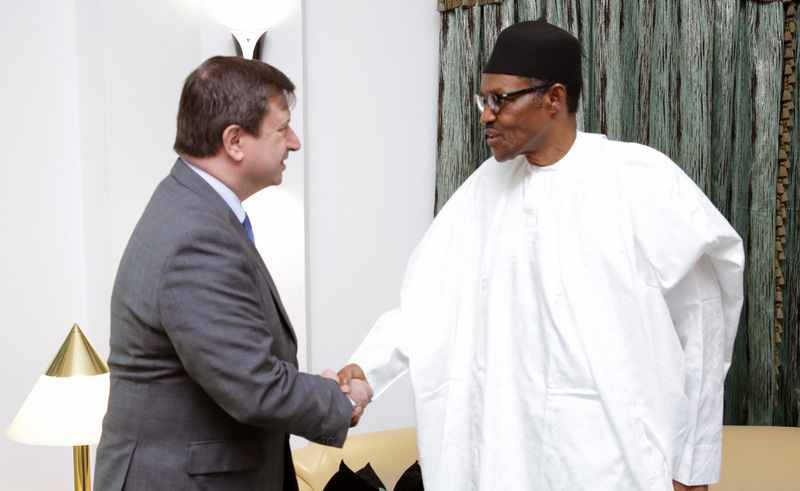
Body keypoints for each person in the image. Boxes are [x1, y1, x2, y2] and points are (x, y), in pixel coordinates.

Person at [338, 20, 744, 491]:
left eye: (500, 99)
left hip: (613, 459)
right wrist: (367, 368)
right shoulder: (480, 194)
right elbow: (428, 306)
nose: (486, 115)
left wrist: (693, 466)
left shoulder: (640, 181)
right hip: (504, 455)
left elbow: (703, 324)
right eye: (482, 100)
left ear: (554, 98)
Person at [95, 56, 371, 490]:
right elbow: (252, 386)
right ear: (235, 141)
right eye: (282, 129)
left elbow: (230, 362)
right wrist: (338, 401)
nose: (294, 142)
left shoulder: (190, 206)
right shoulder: (197, 235)